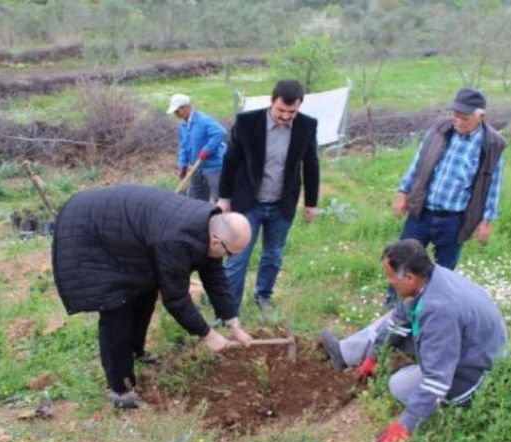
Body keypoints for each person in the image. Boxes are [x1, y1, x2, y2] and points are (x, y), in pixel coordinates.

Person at [52, 184, 254, 409]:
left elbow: (214, 277)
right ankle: (120, 389)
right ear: (217, 240)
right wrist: (207, 334)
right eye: (230, 253)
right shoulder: (177, 240)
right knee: (117, 308)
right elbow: (176, 298)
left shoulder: (208, 227)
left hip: (128, 234)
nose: (228, 258)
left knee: (145, 292)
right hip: (91, 233)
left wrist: (232, 322)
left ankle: (136, 351)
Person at [321, 239, 507, 442]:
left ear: (409, 277)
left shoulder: (438, 312)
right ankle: (346, 355)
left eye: (390, 276)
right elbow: (397, 320)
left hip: (472, 371)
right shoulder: (430, 278)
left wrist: (405, 425)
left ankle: (446, 402)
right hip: (466, 342)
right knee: (392, 319)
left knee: (398, 385)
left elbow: (437, 380)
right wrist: (373, 355)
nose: (388, 281)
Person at [217, 79, 319, 314]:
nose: (285, 116)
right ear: (271, 102)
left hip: (282, 204)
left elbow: (311, 165)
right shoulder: (247, 123)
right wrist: (224, 198)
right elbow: (230, 161)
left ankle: (263, 298)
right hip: (248, 203)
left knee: (273, 255)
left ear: (299, 106)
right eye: (280, 110)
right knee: (237, 256)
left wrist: (311, 204)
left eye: (291, 112)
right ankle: (229, 310)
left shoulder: (306, 126)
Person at [391, 88, 507, 272]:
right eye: (455, 115)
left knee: (443, 271)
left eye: (464, 118)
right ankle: (395, 300)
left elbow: (493, 185)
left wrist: (486, 221)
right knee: (404, 261)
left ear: (481, 116)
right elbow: (419, 162)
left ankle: (434, 301)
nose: (458, 121)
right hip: (421, 211)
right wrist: (403, 192)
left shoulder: (492, 144)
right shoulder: (440, 129)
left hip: (454, 220)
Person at [167, 94, 227, 203]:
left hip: (214, 166)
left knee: (219, 200)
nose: (176, 114)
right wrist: (183, 165)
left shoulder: (203, 121)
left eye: (177, 111)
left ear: (185, 108)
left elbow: (220, 133)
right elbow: (184, 147)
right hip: (196, 167)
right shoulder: (183, 126)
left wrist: (207, 150)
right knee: (194, 199)